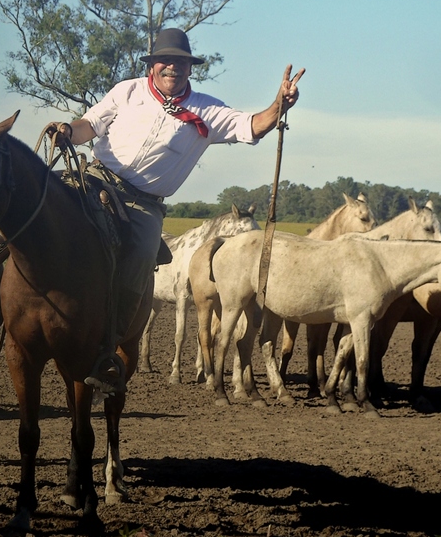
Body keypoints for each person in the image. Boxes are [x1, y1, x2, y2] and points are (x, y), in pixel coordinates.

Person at [47, 28, 304, 394]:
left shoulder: (207, 110)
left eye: (180, 62)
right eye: (165, 61)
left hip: (142, 204)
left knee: (139, 255)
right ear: (152, 65)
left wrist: (280, 103)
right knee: (40, 205)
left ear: (189, 68)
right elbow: (91, 124)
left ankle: (110, 347)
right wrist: (66, 131)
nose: (172, 67)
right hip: (96, 178)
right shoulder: (128, 91)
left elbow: (254, 125)